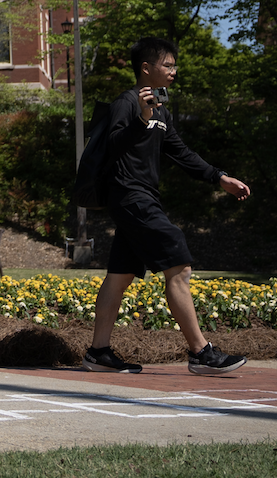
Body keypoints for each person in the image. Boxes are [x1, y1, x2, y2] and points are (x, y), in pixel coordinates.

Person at [82, 36, 253, 376]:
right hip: (132, 197)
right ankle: (201, 352)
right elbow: (113, 145)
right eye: (168, 65)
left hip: (143, 196)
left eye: (174, 65)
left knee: (119, 277)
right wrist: (141, 119)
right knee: (179, 265)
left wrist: (219, 178)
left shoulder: (160, 109)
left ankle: (98, 352)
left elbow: (180, 151)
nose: (175, 70)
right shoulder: (127, 102)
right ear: (147, 68)